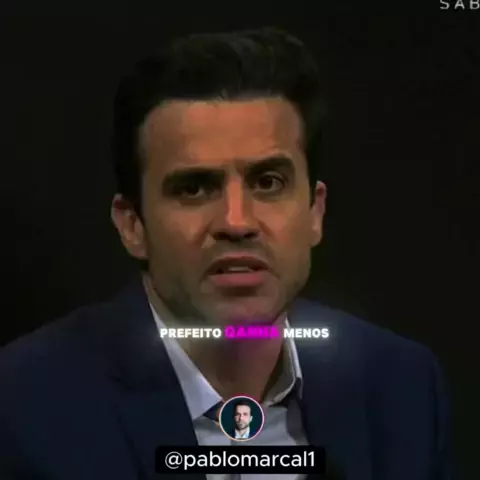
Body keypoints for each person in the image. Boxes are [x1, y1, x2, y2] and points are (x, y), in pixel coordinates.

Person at [0, 27, 453, 480]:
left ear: (315, 212)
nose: (236, 223)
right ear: (132, 224)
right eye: (194, 188)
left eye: (268, 182)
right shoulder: (21, 405)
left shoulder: (403, 387)